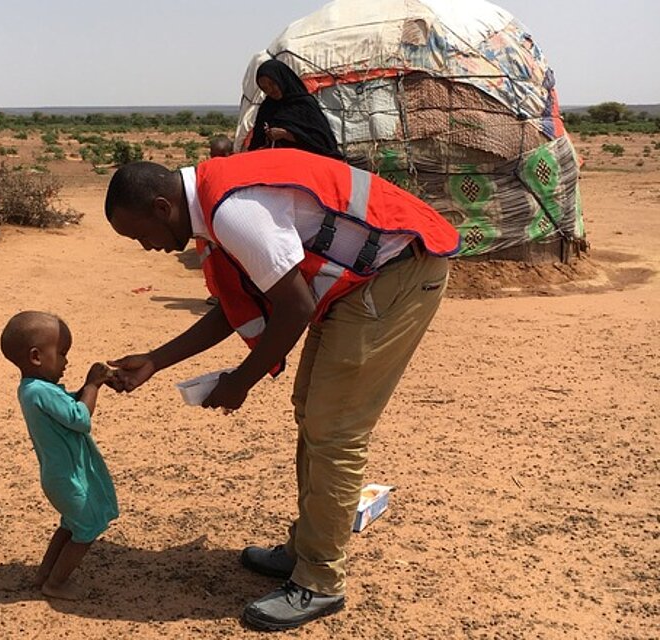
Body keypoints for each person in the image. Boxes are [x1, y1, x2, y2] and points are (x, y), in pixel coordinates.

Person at [103, 149, 460, 630]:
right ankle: (307, 548)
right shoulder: (214, 206)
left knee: (335, 430)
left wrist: (240, 382)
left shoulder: (233, 213)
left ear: (163, 208)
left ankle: (320, 581)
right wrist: (155, 361)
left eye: (140, 235)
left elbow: (294, 307)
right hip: (368, 280)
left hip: (400, 270)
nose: (147, 247)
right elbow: (238, 303)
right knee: (312, 412)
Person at [0, 311, 119, 601]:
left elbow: (66, 408)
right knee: (87, 529)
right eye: (62, 353)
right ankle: (56, 584)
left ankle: (44, 575)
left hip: (60, 476)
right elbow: (80, 417)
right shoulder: (42, 391)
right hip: (68, 478)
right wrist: (91, 384)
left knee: (70, 525)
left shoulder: (33, 389)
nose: (66, 362)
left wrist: (95, 385)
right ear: (37, 357)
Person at [247, 59, 340, 158]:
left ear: (281, 79)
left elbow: (322, 142)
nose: (270, 90)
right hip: (276, 164)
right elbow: (256, 142)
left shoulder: (304, 104)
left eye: (272, 84)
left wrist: (286, 134)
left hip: (305, 163)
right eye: (265, 88)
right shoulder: (267, 107)